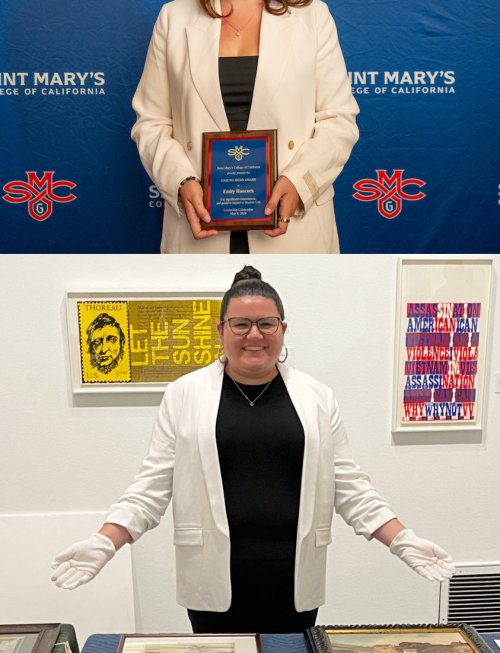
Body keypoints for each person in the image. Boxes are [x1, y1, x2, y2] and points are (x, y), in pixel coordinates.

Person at [52, 266, 454, 634]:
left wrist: (402, 539)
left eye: (266, 323)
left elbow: (349, 486)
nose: (254, 334)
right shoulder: (184, 395)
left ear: (283, 328)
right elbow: (151, 488)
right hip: (213, 577)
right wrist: (106, 541)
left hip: (293, 575)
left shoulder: (317, 397)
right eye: (241, 324)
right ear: (221, 329)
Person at [131, 0, 360, 254]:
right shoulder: (173, 19)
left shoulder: (313, 18)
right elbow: (152, 122)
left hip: (290, 231)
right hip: (200, 230)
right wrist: (181, 181)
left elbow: (339, 119)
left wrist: (299, 184)